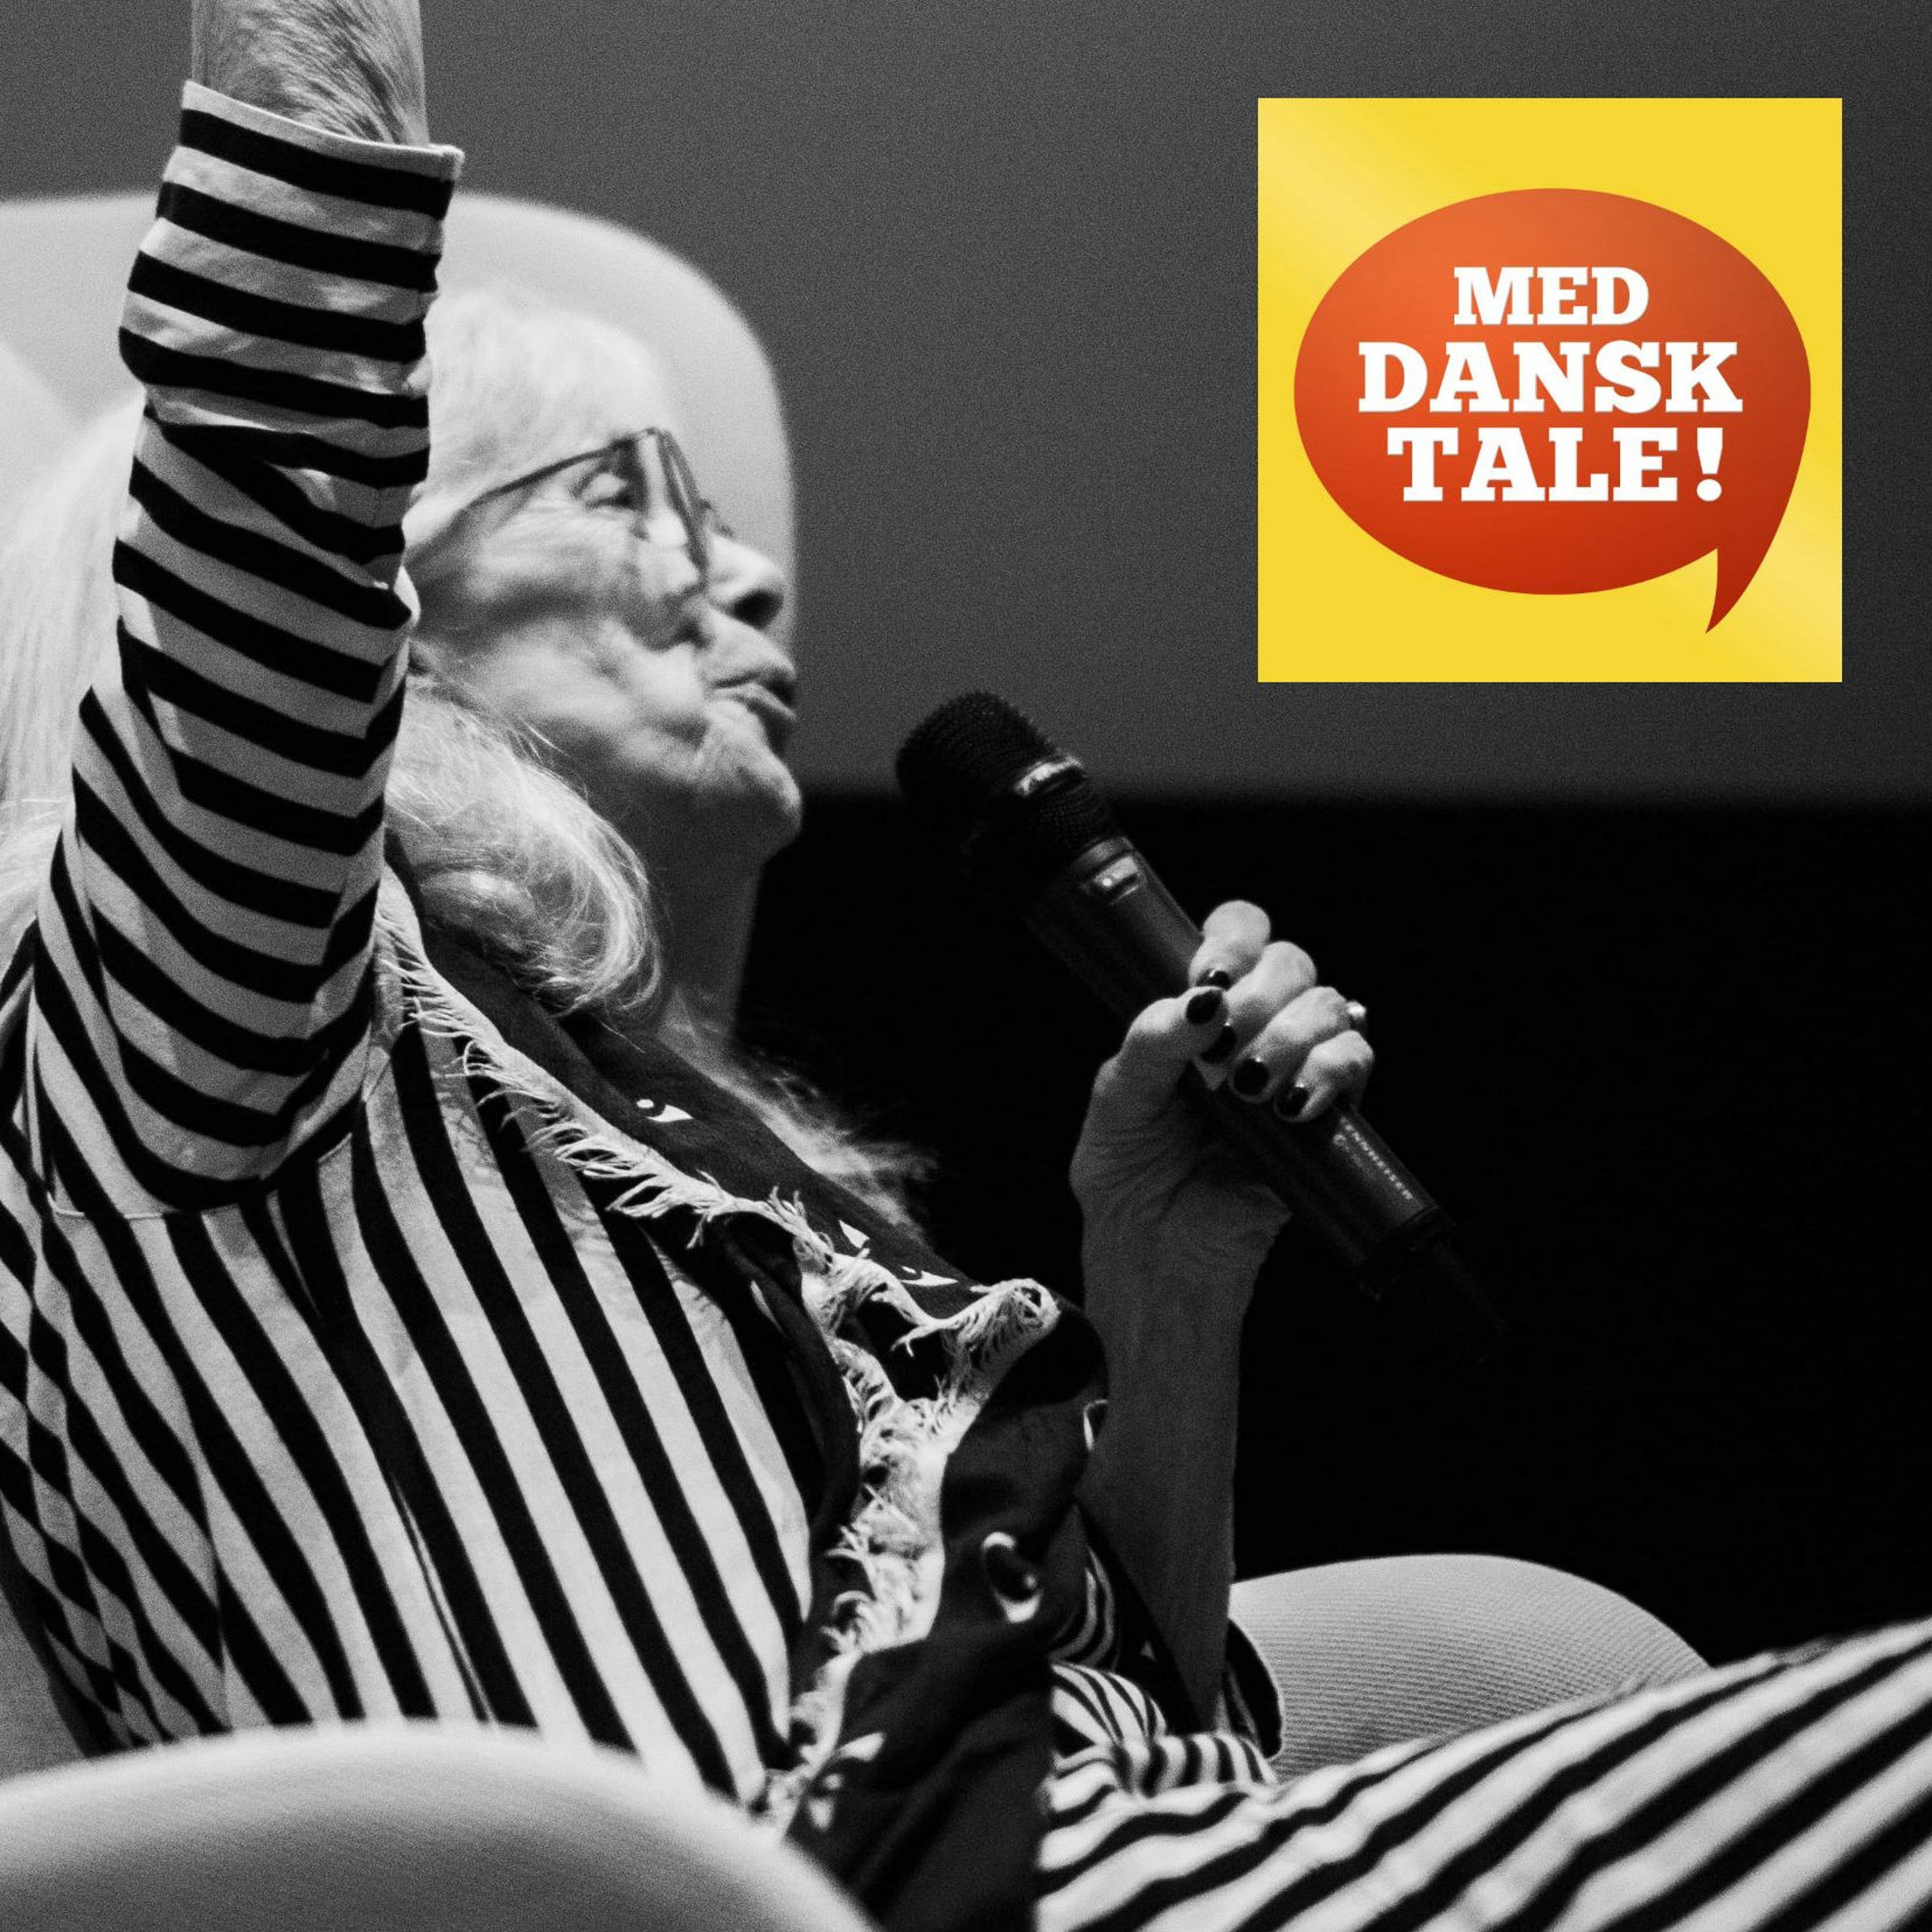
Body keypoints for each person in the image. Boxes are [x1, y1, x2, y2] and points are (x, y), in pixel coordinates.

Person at [3, 5, 1930, 1929]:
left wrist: (1163, 1287)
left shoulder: (639, 1170)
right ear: (384, 607)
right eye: (626, 491)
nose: (751, 577)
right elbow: (277, 436)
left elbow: (1139, 1729)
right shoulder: (219, 1009)